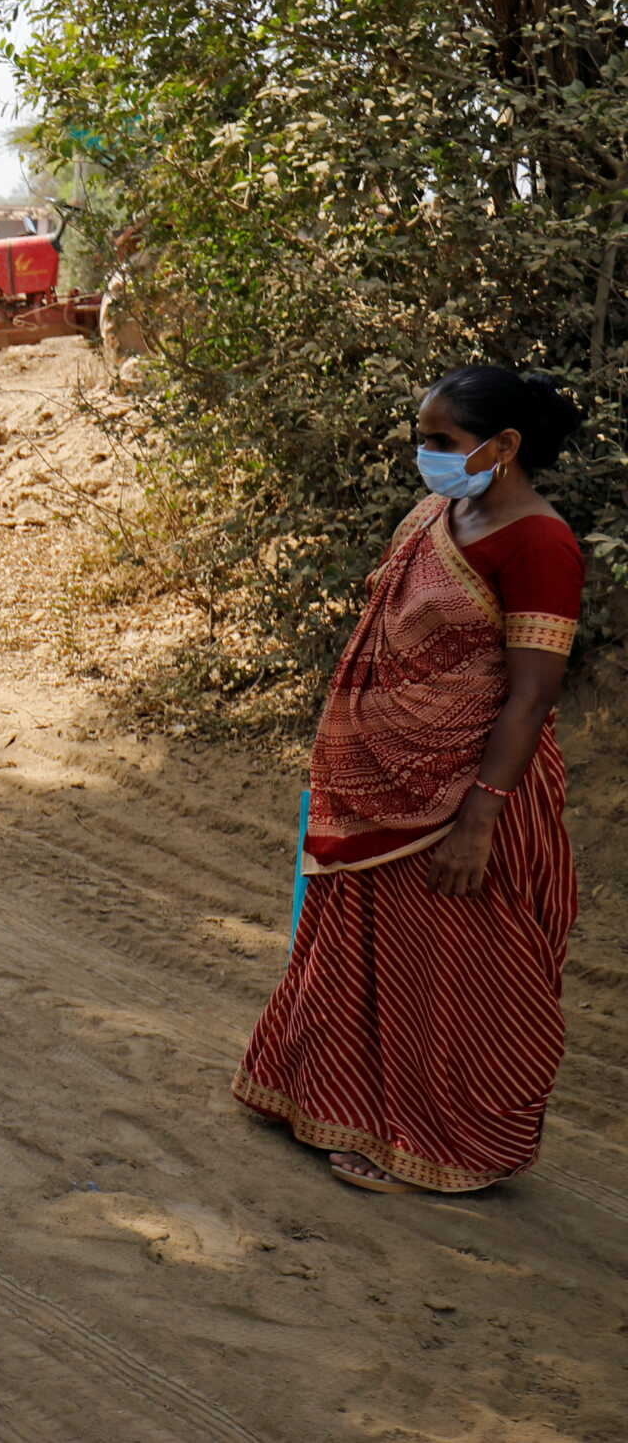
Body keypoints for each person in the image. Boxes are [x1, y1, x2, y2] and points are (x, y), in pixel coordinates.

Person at [236, 365, 587, 1194]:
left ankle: (443, 1143)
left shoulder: (541, 543)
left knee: (453, 977)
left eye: (443, 442)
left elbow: (533, 694)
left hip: (468, 796)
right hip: (380, 784)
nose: (424, 455)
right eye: (422, 437)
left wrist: (480, 817)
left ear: (503, 447)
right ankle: (330, 1101)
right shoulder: (439, 513)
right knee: (360, 955)